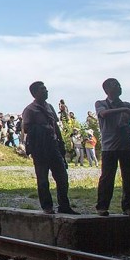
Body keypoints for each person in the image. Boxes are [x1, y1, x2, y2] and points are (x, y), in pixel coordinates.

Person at [20, 81, 76, 214]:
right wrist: (42, 128)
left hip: (53, 145)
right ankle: (47, 206)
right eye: (42, 89)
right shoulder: (30, 110)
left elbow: (55, 126)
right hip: (39, 148)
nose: (46, 91)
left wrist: (61, 142)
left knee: (62, 176)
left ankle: (64, 205)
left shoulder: (50, 107)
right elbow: (26, 128)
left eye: (45, 88)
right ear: (34, 93)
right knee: (43, 179)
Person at [94, 78, 130, 216]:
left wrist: (128, 111)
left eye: (119, 85)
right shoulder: (101, 103)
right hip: (109, 147)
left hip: (126, 146)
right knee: (107, 178)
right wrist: (124, 110)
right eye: (115, 85)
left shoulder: (126, 104)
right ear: (107, 90)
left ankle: (128, 206)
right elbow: (103, 114)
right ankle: (102, 206)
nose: (119, 87)